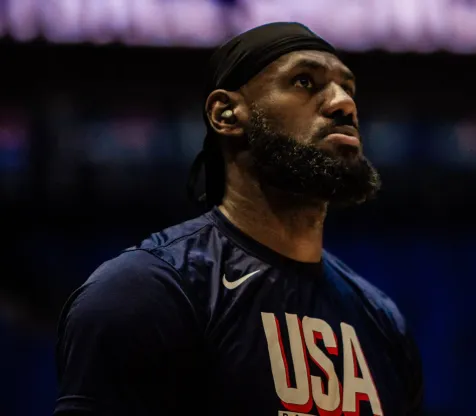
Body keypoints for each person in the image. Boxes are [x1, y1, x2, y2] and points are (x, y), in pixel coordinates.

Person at [55, 22, 423, 416]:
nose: (342, 103)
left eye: (348, 88)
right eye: (304, 81)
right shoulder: (144, 293)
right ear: (226, 113)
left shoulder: (382, 320)